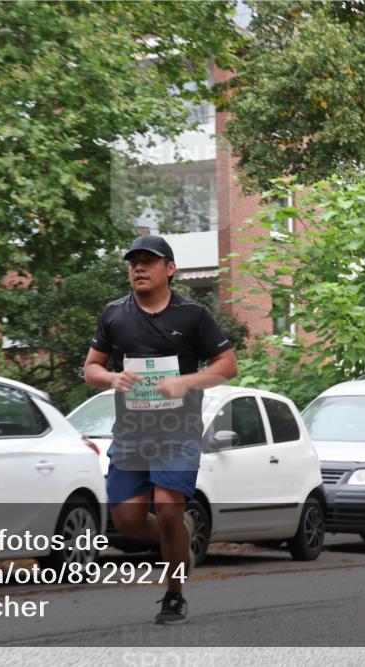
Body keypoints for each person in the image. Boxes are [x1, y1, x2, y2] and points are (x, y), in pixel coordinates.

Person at [83, 235, 238, 624]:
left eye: (148, 261)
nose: (138, 267)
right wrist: (112, 378)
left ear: (169, 269)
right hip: (132, 433)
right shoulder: (115, 314)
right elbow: (91, 368)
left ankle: (173, 594)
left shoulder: (192, 315)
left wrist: (186, 382)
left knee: (168, 510)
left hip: (177, 430)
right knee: (128, 522)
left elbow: (227, 365)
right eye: (133, 261)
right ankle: (178, 535)